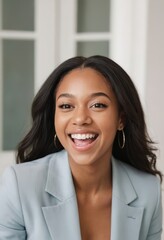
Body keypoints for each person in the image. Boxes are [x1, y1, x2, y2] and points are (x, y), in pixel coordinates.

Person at [0, 56, 162, 240]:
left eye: (97, 105)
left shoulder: (148, 191)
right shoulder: (20, 186)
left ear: (121, 119)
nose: (80, 118)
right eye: (66, 106)